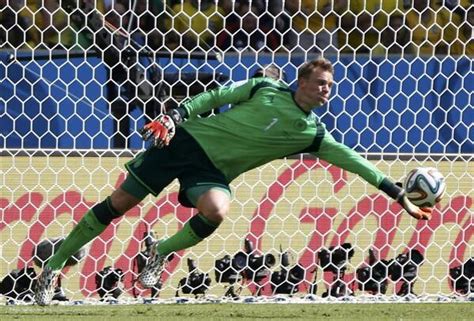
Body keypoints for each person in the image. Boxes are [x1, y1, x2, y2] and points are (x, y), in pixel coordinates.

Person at [34, 57, 432, 305]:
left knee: (217, 210)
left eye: (332, 85)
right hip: (184, 141)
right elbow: (214, 96)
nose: (328, 90)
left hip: (211, 173)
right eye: (322, 83)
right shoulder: (265, 88)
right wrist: (175, 115)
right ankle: (51, 268)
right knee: (120, 203)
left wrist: (401, 196)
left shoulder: (313, 134)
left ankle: (158, 253)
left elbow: (359, 164)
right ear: (302, 82)